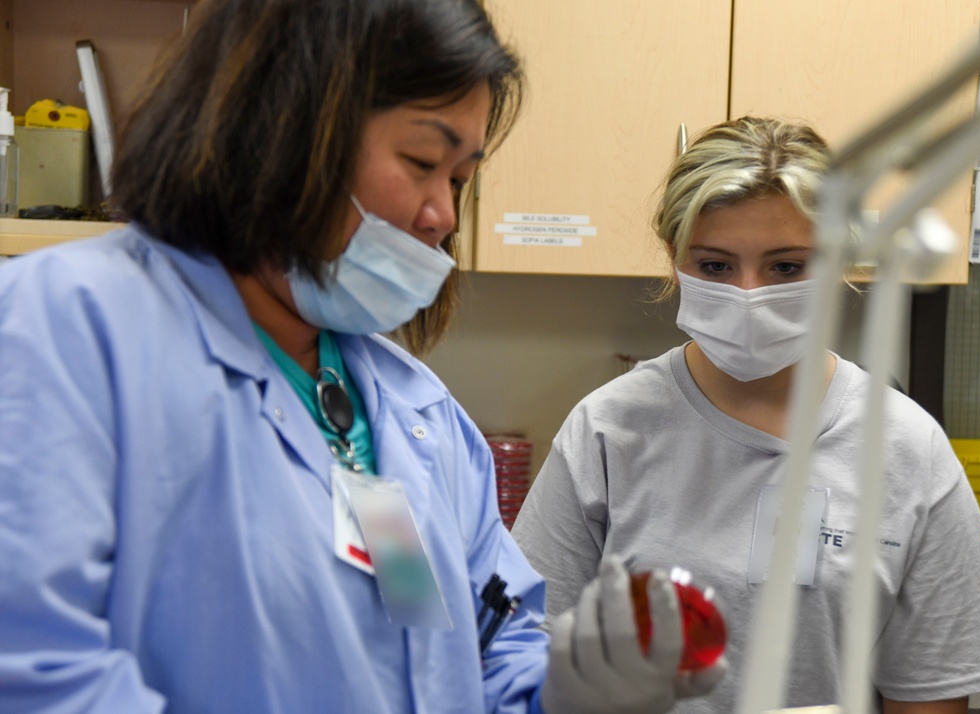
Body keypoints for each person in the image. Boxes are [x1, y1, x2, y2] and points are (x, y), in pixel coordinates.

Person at [0, 1, 725, 712]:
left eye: (461, 178)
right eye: (422, 161)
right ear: (281, 124)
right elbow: (37, 675)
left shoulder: (411, 414)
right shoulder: (66, 330)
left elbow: (465, 646)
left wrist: (566, 692)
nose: (443, 214)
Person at [511, 116, 980, 713]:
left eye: (787, 267)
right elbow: (528, 660)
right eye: (716, 266)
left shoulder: (904, 448)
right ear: (675, 259)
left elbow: (930, 693)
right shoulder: (608, 431)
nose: (749, 294)